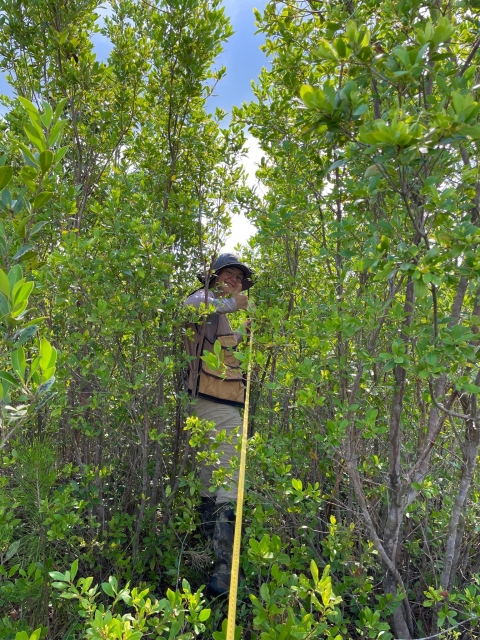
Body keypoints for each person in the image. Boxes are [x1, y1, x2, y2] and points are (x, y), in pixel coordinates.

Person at [184, 253, 254, 595]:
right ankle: (225, 574)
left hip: (216, 404)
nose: (235, 282)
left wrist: (243, 329)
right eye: (228, 275)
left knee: (211, 480)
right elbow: (192, 304)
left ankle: (205, 563)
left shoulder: (222, 315)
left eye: (239, 279)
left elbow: (227, 353)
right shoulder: (206, 302)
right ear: (212, 277)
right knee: (229, 481)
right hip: (215, 405)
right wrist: (230, 302)